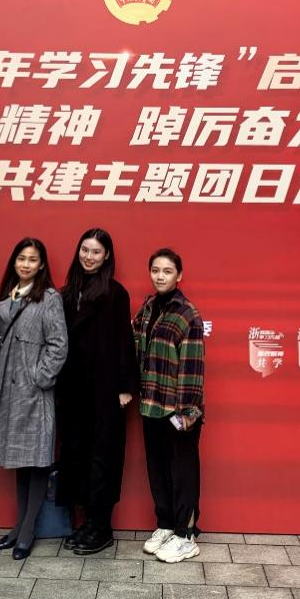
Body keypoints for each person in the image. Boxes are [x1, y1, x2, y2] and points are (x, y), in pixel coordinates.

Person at [0, 238, 68, 560]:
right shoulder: (7, 297)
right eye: (21, 258)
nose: (26, 264)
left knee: (36, 461)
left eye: (32, 259)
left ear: (41, 264)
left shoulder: (49, 298)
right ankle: (18, 526)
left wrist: (39, 377)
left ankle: (28, 530)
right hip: (9, 390)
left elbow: (59, 344)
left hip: (35, 392)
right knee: (19, 460)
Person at [57, 227, 138, 555]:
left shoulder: (115, 293)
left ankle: (102, 527)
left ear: (106, 257)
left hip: (104, 390)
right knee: (76, 455)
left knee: (103, 458)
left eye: (95, 252)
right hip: (72, 390)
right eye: (85, 250)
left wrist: (125, 387)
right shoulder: (66, 293)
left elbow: (124, 342)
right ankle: (87, 523)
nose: (88, 257)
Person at [133, 248, 206, 563]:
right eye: (155, 270)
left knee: (182, 471)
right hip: (151, 404)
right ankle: (165, 525)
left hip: (178, 410)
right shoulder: (148, 308)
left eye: (167, 271)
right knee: (158, 468)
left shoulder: (187, 313)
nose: (160, 276)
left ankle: (186, 535)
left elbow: (192, 366)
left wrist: (187, 411)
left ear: (179, 275)